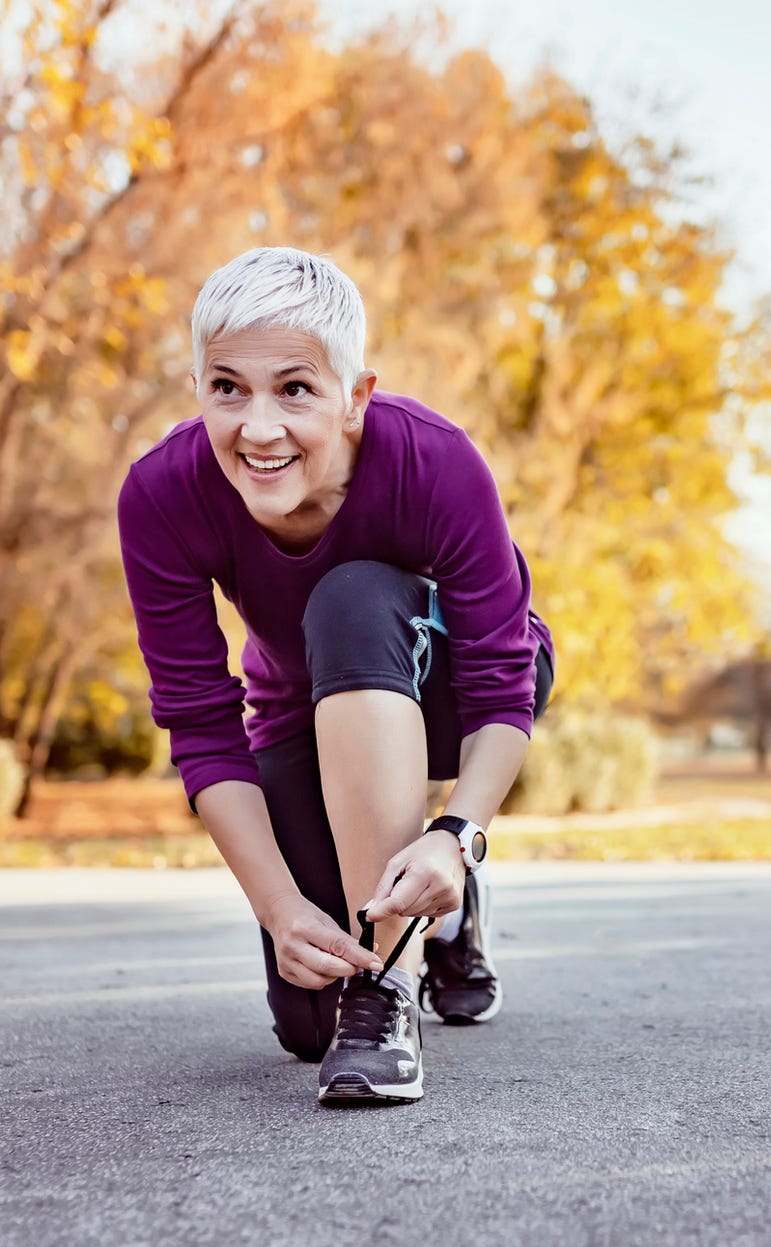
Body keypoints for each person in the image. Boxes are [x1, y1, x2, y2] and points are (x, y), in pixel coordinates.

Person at [116, 246, 553, 1106]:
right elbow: (205, 726)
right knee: (308, 1020)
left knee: (347, 599)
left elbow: (502, 683)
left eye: (296, 388)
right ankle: (441, 915)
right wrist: (279, 908)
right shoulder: (162, 496)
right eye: (227, 387)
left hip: (454, 689)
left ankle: (393, 985)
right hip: (301, 718)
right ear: (198, 385)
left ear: (356, 395)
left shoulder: (435, 460)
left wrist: (458, 831)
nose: (260, 427)